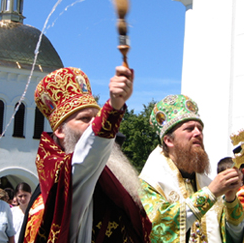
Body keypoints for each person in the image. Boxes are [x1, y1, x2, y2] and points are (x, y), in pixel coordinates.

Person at [23, 66, 151, 243]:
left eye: (96, 117)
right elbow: (87, 153)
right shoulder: (65, 177)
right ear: (60, 131)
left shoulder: (105, 174)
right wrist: (113, 107)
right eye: (85, 119)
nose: (93, 124)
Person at [140, 94, 244, 243]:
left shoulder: (206, 182)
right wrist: (210, 194)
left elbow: (236, 236)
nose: (198, 133)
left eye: (200, 128)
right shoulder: (150, 183)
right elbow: (157, 229)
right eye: (189, 129)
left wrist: (231, 199)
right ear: (168, 140)